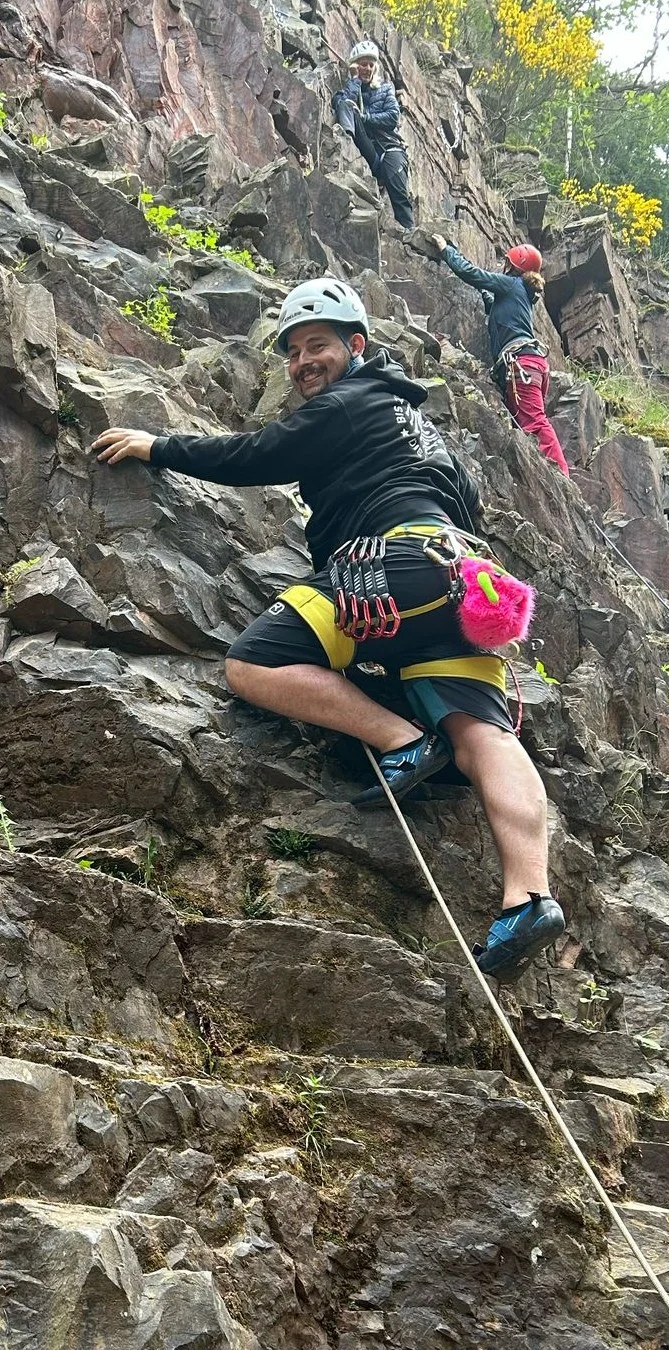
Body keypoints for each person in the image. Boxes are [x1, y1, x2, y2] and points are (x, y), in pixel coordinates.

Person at [91, 277, 564, 983]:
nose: (304, 361)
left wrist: (157, 445)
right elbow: (465, 504)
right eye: (294, 351)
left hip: (393, 566)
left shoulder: (349, 402)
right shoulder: (419, 423)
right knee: (485, 735)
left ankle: (404, 743)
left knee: (254, 664)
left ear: (358, 346)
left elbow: (255, 457)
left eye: (319, 346)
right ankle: (529, 896)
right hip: (464, 582)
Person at [429, 234, 570, 477]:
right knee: (527, 422)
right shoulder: (520, 292)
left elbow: (473, 274)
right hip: (529, 365)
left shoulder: (512, 284)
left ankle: (563, 474)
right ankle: (548, 473)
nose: (502, 266)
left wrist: (447, 250)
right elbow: (491, 301)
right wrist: (485, 292)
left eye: (506, 262)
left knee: (535, 422)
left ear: (513, 267)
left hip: (522, 365)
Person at [331, 39, 414, 230]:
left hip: (389, 150)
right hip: (365, 148)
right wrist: (354, 81)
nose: (367, 68)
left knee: (398, 189)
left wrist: (366, 117)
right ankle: (346, 143)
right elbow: (346, 104)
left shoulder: (385, 90)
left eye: (371, 65)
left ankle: (409, 233)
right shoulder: (348, 89)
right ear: (354, 66)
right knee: (344, 103)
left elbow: (393, 117)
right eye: (363, 64)